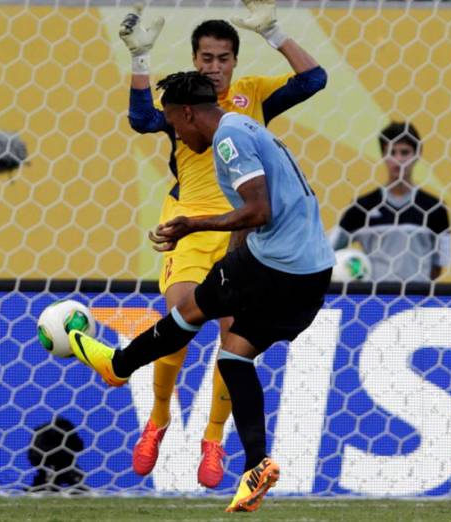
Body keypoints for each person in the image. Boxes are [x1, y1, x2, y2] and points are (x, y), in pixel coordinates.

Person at [69, 71, 334, 512]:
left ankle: (118, 366)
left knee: (188, 313)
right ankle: (256, 466)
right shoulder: (246, 129)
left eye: (174, 124)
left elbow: (259, 209)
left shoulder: (228, 140)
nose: (175, 133)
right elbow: (251, 215)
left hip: (277, 266)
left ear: (188, 113)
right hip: (310, 274)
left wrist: (193, 223)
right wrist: (229, 263)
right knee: (234, 354)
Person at [118, 0, 327, 488]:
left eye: (223, 58)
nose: (214, 67)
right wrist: (140, 60)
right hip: (190, 222)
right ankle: (159, 419)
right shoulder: (185, 103)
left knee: (233, 335)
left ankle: (212, 439)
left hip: (241, 230)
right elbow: (142, 120)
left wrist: (274, 32)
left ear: (235, 60)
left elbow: (314, 81)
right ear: (195, 60)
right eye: (206, 58)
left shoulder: (251, 96)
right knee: (182, 316)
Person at [330, 121, 451, 282]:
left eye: (404, 152)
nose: (398, 159)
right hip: (375, 301)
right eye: (391, 152)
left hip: (417, 302)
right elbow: (329, 249)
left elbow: (438, 266)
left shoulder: (435, 208)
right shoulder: (362, 207)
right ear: (383, 156)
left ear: (417, 154)